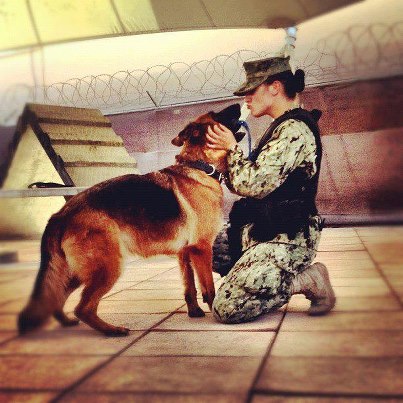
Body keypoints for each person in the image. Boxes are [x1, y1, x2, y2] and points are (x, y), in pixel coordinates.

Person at [206, 55, 336, 323]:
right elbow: (247, 183)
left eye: (252, 91)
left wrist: (232, 149)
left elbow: (254, 184)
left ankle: (308, 278)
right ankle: (254, 277)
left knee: (227, 308)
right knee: (202, 248)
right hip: (261, 230)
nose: (247, 99)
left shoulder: (294, 131)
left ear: (274, 87)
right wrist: (224, 164)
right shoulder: (280, 128)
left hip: (287, 237)